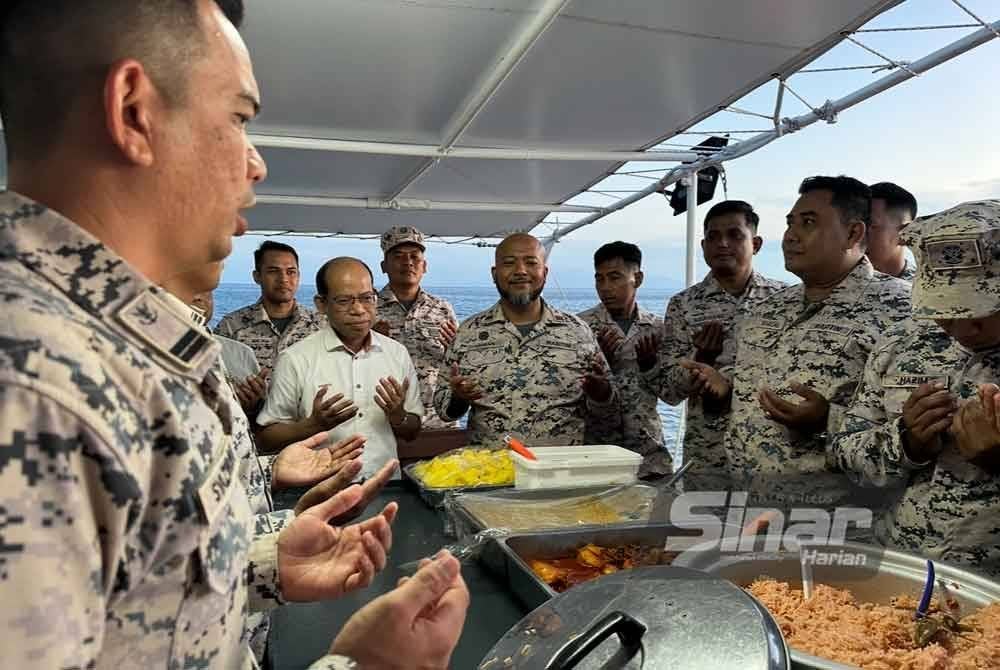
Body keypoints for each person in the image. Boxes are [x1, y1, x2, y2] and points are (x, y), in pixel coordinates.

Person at [0, 1, 466, 667]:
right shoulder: (34, 384)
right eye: (239, 119)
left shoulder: (114, 343)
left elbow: (135, 587)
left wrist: (259, 568)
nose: (257, 164)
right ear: (134, 113)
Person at [685, 177, 911, 503]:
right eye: (790, 223)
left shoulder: (901, 311)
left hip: (838, 526)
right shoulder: (767, 310)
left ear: (853, 233)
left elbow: (914, 440)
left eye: (808, 223)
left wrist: (826, 422)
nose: (790, 235)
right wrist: (723, 393)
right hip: (748, 510)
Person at [831, 200, 1000, 576]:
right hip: (899, 569)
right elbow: (845, 453)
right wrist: (906, 441)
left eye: (982, 308)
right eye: (949, 309)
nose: (963, 327)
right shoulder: (900, 344)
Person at [434, 233, 619, 445]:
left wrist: (601, 395)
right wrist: (458, 399)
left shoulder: (578, 332)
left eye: (531, 262)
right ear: (494, 274)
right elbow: (443, 411)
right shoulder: (468, 333)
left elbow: (610, 413)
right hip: (490, 471)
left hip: (558, 470)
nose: (521, 271)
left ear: (545, 272)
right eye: (509, 263)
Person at [644, 201, 785, 474]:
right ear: (703, 246)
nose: (722, 243)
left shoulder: (783, 301)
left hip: (771, 456)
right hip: (709, 458)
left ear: (755, 244)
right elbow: (669, 393)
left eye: (735, 235)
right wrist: (701, 360)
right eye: (713, 236)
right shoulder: (684, 304)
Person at [257, 257, 423, 474]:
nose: (359, 309)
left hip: (386, 485)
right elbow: (266, 438)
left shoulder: (396, 353)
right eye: (344, 301)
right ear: (321, 304)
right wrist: (312, 426)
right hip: (319, 491)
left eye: (367, 298)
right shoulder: (296, 358)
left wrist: (398, 416)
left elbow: (413, 430)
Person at [578, 241, 673, 478]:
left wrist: (651, 365)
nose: (606, 287)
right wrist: (601, 362)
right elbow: (567, 395)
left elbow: (671, 394)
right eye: (599, 279)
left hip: (648, 457)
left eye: (615, 277)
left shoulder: (657, 329)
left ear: (637, 279)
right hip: (595, 454)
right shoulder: (580, 328)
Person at [373, 226, 460, 430]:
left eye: (415, 256)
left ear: (425, 266)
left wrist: (455, 350)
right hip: (385, 421)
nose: (408, 262)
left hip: (438, 421)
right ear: (384, 266)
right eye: (399, 256)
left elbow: (459, 365)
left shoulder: (442, 309)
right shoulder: (368, 308)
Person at [216, 240, 323, 373]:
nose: (283, 279)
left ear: (298, 276)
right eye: (273, 271)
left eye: (291, 272)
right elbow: (214, 376)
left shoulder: (320, 326)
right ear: (257, 276)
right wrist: (237, 391)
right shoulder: (231, 327)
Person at [868, 182, 918, 280]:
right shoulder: (834, 281)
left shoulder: (925, 290)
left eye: (870, 226)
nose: (856, 235)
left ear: (906, 232)